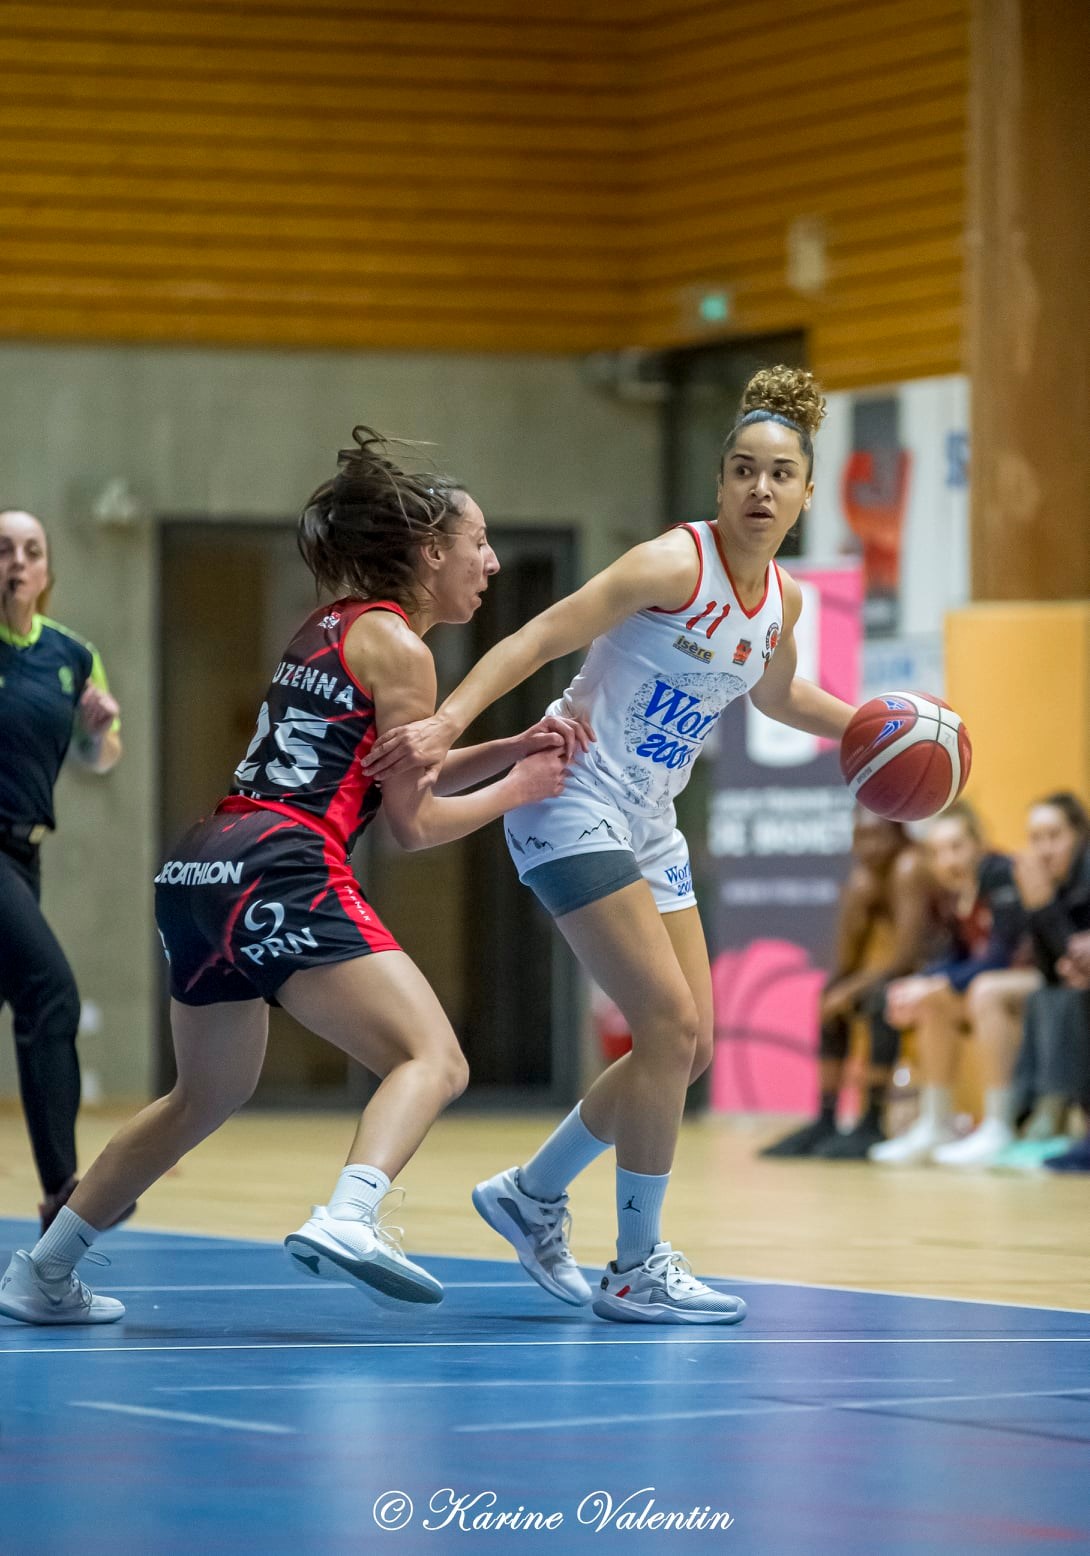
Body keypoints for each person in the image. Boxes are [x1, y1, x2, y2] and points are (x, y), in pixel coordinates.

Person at [0, 430, 583, 1326]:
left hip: (202, 860)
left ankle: (42, 1270)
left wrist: (505, 748)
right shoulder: (406, 651)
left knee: (204, 1095)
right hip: (283, 862)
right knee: (433, 1058)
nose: (493, 563)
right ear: (431, 553)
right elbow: (413, 822)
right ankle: (353, 1214)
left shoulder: (330, 624)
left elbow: (381, 768)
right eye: (478, 544)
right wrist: (520, 787)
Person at [365, 367, 859, 1324]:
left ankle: (530, 1193)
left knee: (693, 1043)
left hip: (650, 817)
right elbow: (542, 635)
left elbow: (778, 695)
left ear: (805, 494)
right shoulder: (671, 564)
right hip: (570, 790)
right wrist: (448, 720)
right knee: (665, 1026)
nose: (761, 489)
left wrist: (874, 725)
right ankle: (636, 1265)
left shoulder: (783, 605)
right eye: (744, 471)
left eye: (781, 475)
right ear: (719, 484)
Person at [0, 509, 124, 1234]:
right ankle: (64, 1197)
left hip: (25, 853)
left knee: (31, 1008)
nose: (17, 560)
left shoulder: (74, 654)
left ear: (48, 571)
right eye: (4, 549)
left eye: (32, 550)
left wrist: (96, 729)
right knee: (51, 996)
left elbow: (95, 760)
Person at [759, 808, 934, 1160]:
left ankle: (873, 1119)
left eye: (876, 836)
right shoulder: (866, 876)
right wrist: (855, 906)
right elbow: (846, 962)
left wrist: (849, 990)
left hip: (932, 972)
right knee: (830, 996)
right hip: (897, 976)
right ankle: (826, 1118)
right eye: (860, 838)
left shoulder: (909, 867)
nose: (867, 847)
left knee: (879, 1000)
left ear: (898, 834)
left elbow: (906, 959)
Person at [869, 801, 1035, 1167]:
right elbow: (955, 958)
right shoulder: (954, 891)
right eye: (938, 851)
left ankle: (998, 1123)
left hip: (1040, 979)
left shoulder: (1000, 874)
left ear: (979, 843)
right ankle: (935, 1121)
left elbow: (998, 959)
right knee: (933, 1000)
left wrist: (934, 981)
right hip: (996, 984)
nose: (948, 859)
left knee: (985, 990)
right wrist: (919, 983)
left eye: (957, 846)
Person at [994, 792, 1090, 1170]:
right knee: (1048, 996)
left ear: (1079, 835)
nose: (1044, 849)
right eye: (1035, 839)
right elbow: (1057, 969)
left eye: (1054, 836)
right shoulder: (1049, 883)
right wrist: (1041, 906)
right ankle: (1032, 1117)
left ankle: (1049, 1117)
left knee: (1070, 999)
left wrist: (1045, 907)